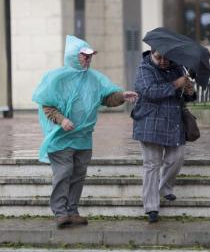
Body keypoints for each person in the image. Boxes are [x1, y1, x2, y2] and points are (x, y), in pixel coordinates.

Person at [32, 35, 138, 228]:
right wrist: (62, 120)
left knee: (78, 175)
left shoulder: (94, 79)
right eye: (84, 56)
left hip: (83, 137)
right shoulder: (56, 78)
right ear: (73, 56)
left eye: (90, 56)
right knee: (63, 173)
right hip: (61, 138)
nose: (88, 60)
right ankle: (60, 213)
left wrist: (122, 95)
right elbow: (46, 105)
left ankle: (72, 211)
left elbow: (106, 98)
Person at [131, 49, 196, 223]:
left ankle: (164, 187)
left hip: (173, 122)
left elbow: (186, 98)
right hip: (149, 122)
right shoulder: (144, 69)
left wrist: (189, 90)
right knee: (152, 164)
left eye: (166, 58)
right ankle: (151, 207)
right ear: (152, 53)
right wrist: (176, 83)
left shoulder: (178, 68)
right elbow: (151, 91)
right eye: (159, 57)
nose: (162, 61)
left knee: (177, 157)